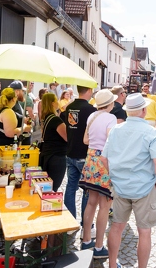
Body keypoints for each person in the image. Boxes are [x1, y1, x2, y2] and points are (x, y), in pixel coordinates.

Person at [102, 93, 156, 268]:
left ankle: (112, 265)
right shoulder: (151, 132)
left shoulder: (115, 129)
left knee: (116, 227)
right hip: (144, 188)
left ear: (128, 111)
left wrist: (114, 176)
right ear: (144, 111)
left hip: (121, 187)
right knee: (144, 232)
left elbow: (104, 159)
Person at [80, 89, 117, 259]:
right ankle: (99, 246)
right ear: (110, 104)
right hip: (103, 161)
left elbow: (85, 140)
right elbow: (111, 141)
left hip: (90, 159)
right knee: (105, 205)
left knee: (91, 202)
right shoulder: (111, 118)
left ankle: (86, 240)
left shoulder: (92, 116)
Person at [63, 85, 96, 219]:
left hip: (70, 152)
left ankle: (70, 220)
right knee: (87, 191)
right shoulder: (91, 110)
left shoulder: (69, 107)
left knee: (71, 187)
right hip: (84, 155)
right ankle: (86, 225)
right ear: (89, 91)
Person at [39, 93, 68, 191]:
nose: (58, 102)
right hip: (56, 156)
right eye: (56, 100)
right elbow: (67, 137)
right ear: (52, 103)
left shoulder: (46, 117)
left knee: (47, 186)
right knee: (53, 187)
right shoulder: (55, 120)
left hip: (48, 154)